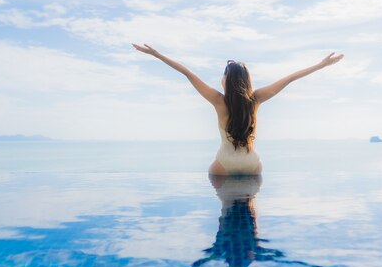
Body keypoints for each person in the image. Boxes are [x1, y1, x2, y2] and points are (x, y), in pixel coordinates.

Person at [132, 43, 344, 175]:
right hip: (252, 163)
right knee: (251, 224)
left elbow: (187, 72)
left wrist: (157, 54)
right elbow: (289, 79)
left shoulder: (218, 100)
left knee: (225, 214)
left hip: (225, 164)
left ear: (226, 80)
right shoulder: (256, 99)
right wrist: (321, 65)